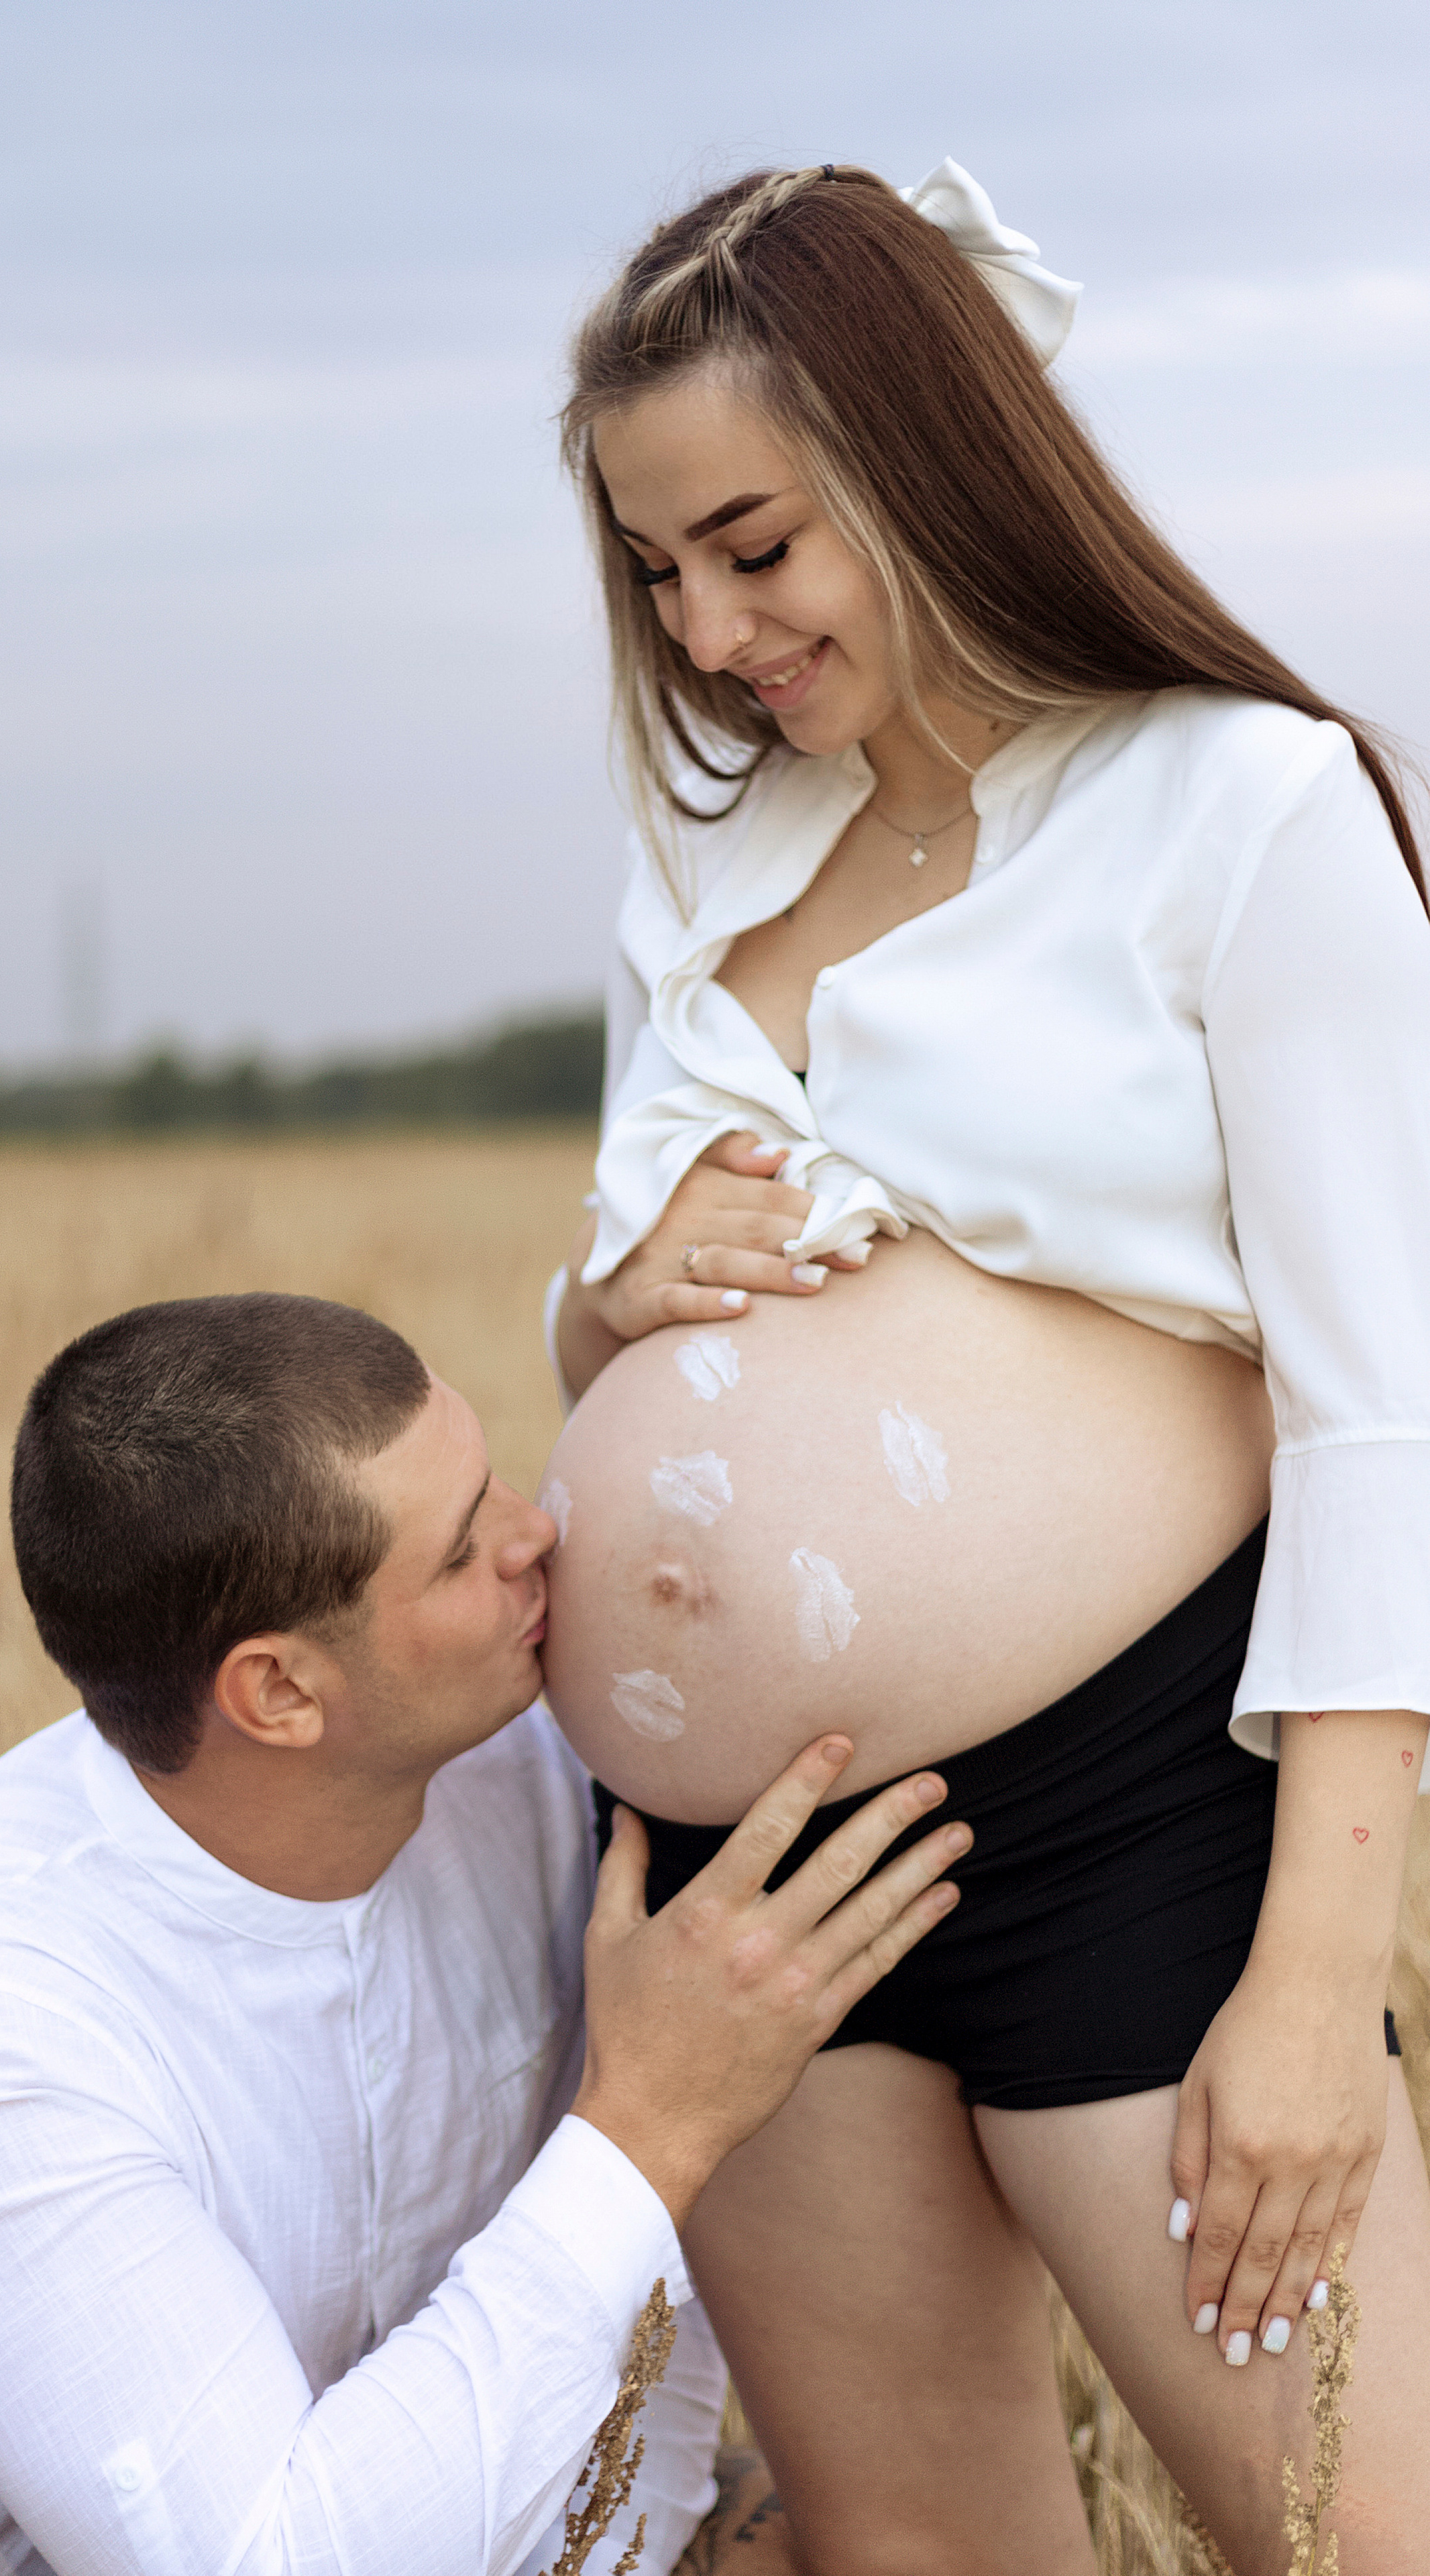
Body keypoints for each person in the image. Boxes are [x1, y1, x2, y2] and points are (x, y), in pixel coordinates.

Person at [537, 158, 1430, 2573]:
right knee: (914, 2550)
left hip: (1130, 1816)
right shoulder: (709, 864)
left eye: (755, 546)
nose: (707, 630)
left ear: (928, 462)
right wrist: (609, 1306)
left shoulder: (1239, 805)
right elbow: (610, 1336)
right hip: (751, 1879)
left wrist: (1315, 1984)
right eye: (655, 570)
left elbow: (1387, 1414)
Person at [0, 1290, 967, 2576]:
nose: (537, 1533)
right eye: (462, 1552)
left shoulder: (538, 1772)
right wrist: (650, 2125)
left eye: (496, 1481)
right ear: (279, 1692)